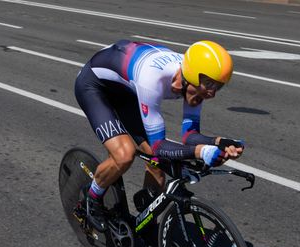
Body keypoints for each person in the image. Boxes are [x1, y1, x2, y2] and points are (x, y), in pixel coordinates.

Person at [74, 39, 244, 232]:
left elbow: (190, 135)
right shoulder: (153, 79)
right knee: (124, 155)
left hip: (128, 90)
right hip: (94, 86)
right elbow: (159, 147)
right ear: (191, 75)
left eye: (218, 87)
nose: (212, 93)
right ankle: (91, 199)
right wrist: (202, 152)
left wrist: (219, 142)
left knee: (156, 165)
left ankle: (146, 224)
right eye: (208, 84)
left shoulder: (195, 83)